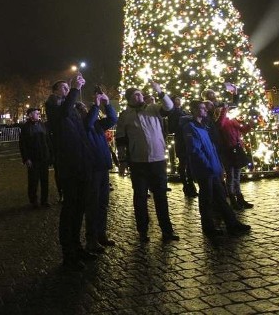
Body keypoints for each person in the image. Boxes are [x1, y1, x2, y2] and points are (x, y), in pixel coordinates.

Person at [115, 82, 179, 243]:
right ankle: (142, 230)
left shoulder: (153, 109)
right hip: (138, 162)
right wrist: (122, 161)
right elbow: (121, 139)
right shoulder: (125, 115)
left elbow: (169, 107)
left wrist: (160, 92)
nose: (140, 96)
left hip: (157, 159)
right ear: (129, 98)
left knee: (161, 196)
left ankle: (167, 230)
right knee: (140, 197)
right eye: (135, 95)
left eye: (140, 94)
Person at [45, 74, 97, 271]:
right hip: (69, 166)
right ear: (55, 91)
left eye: (69, 88)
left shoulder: (71, 108)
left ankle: (77, 246)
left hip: (82, 163)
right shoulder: (54, 107)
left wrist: (96, 107)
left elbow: (85, 129)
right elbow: (64, 112)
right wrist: (75, 89)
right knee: (70, 210)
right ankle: (68, 253)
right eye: (64, 88)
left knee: (80, 208)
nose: (67, 90)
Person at [182, 101, 251, 237]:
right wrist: (208, 166)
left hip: (213, 168)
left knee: (220, 197)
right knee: (206, 199)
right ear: (194, 110)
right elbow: (196, 150)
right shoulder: (190, 127)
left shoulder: (204, 126)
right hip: (204, 170)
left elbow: (211, 148)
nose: (205, 111)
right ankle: (208, 227)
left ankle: (232, 223)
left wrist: (218, 167)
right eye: (202, 108)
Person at [83, 91, 117, 252]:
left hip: (103, 166)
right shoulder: (84, 125)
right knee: (93, 204)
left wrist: (107, 103)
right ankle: (91, 238)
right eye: (82, 108)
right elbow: (88, 122)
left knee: (103, 204)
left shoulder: (97, 124)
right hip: (92, 168)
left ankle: (101, 234)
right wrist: (96, 105)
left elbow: (112, 119)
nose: (85, 109)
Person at [18, 107, 52, 208]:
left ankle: (44, 200)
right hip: (33, 158)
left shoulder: (42, 125)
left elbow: (47, 141)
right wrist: (26, 158)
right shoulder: (25, 127)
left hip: (44, 157)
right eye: (36, 113)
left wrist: (50, 154)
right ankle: (33, 200)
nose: (38, 114)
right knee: (33, 180)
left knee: (45, 180)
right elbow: (23, 144)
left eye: (38, 113)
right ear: (30, 115)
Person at [167, 96, 197, 197]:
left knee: (189, 163)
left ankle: (190, 184)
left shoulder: (183, 111)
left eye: (179, 99)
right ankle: (186, 185)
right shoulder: (172, 112)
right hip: (181, 139)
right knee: (183, 163)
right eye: (176, 100)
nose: (179, 101)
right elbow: (172, 128)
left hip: (187, 139)